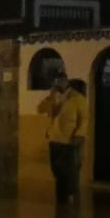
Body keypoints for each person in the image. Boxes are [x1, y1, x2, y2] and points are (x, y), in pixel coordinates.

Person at [37, 72, 88, 203]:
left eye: (61, 81)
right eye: (56, 82)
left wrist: (80, 134)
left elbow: (84, 119)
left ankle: (71, 194)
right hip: (55, 138)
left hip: (71, 139)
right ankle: (61, 194)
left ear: (67, 82)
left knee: (71, 169)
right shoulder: (54, 97)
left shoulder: (77, 98)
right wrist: (49, 98)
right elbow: (40, 109)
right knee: (56, 169)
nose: (58, 84)